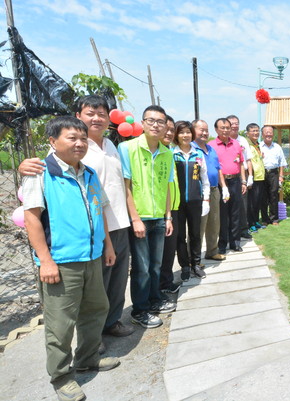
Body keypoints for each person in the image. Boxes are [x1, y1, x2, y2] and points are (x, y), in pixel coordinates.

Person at [18, 95, 134, 344]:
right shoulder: (69, 145)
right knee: (93, 287)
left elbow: (122, 185)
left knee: (116, 281)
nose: (97, 118)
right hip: (89, 231)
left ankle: (111, 322)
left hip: (118, 223)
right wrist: (23, 166)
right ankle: (91, 338)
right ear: (78, 116)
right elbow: (41, 168)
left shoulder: (111, 146)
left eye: (102, 113)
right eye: (90, 113)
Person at [22, 116, 120, 401]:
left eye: (82, 138)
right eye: (71, 138)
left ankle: (88, 358)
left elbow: (99, 212)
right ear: (53, 142)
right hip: (61, 262)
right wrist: (46, 260)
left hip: (92, 256)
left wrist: (108, 246)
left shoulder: (88, 173)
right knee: (60, 323)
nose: (79, 144)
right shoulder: (40, 173)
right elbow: (32, 219)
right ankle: (61, 376)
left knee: (96, 309)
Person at [118, 105, 176, 329]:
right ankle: (139, 310)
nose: (155, 125)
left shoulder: (166, 153)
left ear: (165, 127)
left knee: (155, 265)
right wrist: (135, 219)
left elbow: (167, 187)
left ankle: (154, 300)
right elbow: (127, 186)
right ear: (142, 123)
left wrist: (168, 216)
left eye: (160, 122)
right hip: (140, 218)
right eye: (150, 120)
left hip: (159, 218)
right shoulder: (127, 148)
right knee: (141, 267)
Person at [172, 120, 210, 279]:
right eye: (181, 132)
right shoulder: (171, 154)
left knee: (195, 233)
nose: (185, 135)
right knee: (180, 235)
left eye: (188, 132)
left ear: (192, 134)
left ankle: (196, 264)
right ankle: (185, 266)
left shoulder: (198, 154)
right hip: (177, 202)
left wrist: (206, 199)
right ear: (176, 135)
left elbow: (204, 178)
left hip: (195, 200)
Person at [208, 118, 247, 254]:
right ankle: (222, 244)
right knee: (222, 214)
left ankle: (235, 242)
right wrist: (223, 186)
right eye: (222, 128)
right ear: (216, 129)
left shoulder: (236, 144)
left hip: (235, 181)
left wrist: (243, 181)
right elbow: (214, 167)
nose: (225, 130)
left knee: (235, 212)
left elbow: (241, 163)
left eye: (227, 127)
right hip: (221, 183)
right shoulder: (211, 145)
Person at [192, 119, 227, 261]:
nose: (205, 133)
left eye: (206, 130)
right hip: (200, 193)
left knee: (214, 222)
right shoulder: (191, 149)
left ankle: (212, 251)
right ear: (193, 130)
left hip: (214, 190)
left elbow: (218, 170)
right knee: (199, 225)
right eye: (201, 130)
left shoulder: (211, 149)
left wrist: (223, 186)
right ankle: (194, 257)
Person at [159, 116, 183, 291]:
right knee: (159, 253)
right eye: (165, 128)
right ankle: (160, 286)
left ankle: (166, 283)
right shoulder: (157, 152)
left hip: (172, 208)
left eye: (171, 129)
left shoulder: (169, 152)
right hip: (158, 210)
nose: (168, 132)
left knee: (169, 250)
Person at [227, 114, 253, 239]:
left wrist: (250, 176)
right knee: (229, 203)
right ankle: (229, 229)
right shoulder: (224, 140)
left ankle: (244, 228)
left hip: (242, 175)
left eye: (237, 123)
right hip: (228, 177)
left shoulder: (243, 140)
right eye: (232, 123)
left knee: (243, 203)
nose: (235, 125)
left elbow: (248, 159)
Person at [260, 125, 287, 225]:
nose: (268, 134)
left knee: (274, 196)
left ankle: (274, 218)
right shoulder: (259, 146)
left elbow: (282, 163)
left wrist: (281, 176)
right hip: (262, 174)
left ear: (273, 134)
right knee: (263, 197)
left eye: (270, 132)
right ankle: (265, 219)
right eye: (266, 132)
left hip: (274, 173)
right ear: (262, 134)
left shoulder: (277, 147)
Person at [245, 123, 266, 232]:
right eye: (253, 131)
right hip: (253, 177)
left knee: (257, 201)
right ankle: (250, 223)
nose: (255, 133)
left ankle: (256, 221)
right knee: (252, 202)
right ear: (247, 133)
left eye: (257, 130)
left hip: (260, 176)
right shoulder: (247, 145)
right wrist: (249, 177)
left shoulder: (257, 144)